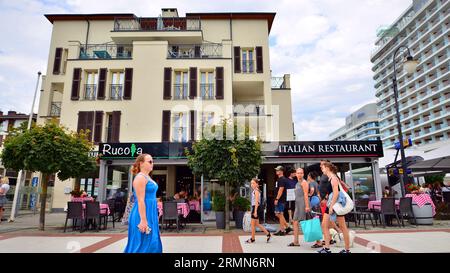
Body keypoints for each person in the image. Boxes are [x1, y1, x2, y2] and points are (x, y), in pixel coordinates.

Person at [124, 154, 162, 253]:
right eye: (149, 161)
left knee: (152, 243)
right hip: (142, 215)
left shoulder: (147, 177)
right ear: (141, 163)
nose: (152, 163)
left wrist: (155, 212)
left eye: (152, 161)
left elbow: (151, 197)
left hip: (149, 213)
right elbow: (140, 200)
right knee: (142, 245)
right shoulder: (140, 178)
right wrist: (143, 220)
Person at [318, 161, 351, 253]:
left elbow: (336, 193)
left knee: (342, 226)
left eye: (323, 167)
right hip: (332, 204)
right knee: (324, 225)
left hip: (336, 205)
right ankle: (327, 248)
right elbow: (333, 192)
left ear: (327, 168)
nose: (322, 169)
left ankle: (347, 250)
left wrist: (331, 206)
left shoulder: (333, 178)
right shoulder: (330, 178)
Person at [288, 168, 310, 246]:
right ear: (296, 174)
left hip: (303, 204)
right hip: (298, 204)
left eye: (301, 173)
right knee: (295, 222)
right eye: (298, 173)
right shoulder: (297, 183)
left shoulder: (304, 182)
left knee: (307, 222)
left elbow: (306, 195)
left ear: (303, 174)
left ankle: (318, 241)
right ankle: (296, 241)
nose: (299, 174)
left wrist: (307, 206)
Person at [245, 178, 271, 243]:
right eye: (251, 183)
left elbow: (256, 202)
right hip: (255, 208)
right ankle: (268, 234)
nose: (252, 184)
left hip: (256, 208)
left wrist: (255, 211)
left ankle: (252, 239)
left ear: (257, 184)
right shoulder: (255, 190)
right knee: (257, 224)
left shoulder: (256, 191)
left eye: (253, 183)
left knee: (253, 224)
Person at [273, 166, 292, 236]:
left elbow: (281, 189)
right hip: (281, 199)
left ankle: (282, 230)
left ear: (281, 171)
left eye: (278, 170)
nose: (276, 171)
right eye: (276, 170)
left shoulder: (282, 179)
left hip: (280, 199)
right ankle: (287, 227)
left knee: (280, 214)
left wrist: (277, 199)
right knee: (278, 214)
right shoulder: (280, 179)